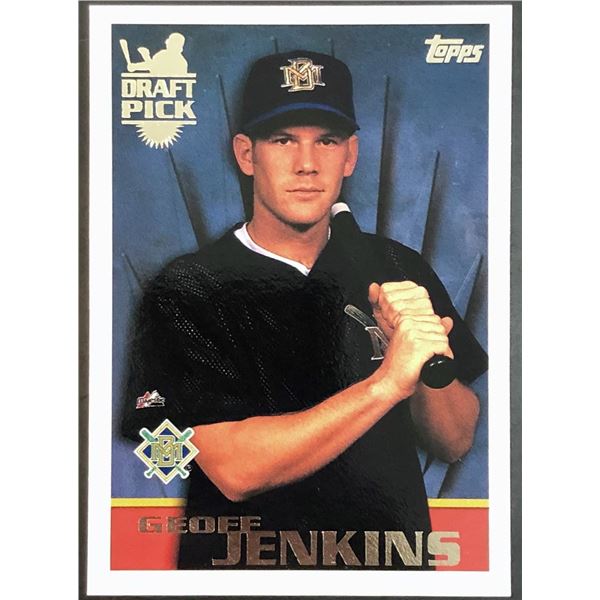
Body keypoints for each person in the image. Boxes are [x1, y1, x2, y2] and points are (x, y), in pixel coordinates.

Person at [121, 50, 487, 569]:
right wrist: (386, 383)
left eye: (327, 141)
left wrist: (423, 360)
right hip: (244, 577)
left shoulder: (396, 267)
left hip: (389, 575)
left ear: (350, 155)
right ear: (246, 155)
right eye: (282, 139)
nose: (307, 164)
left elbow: (454, 438)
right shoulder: (186, 290)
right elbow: (236, 470)